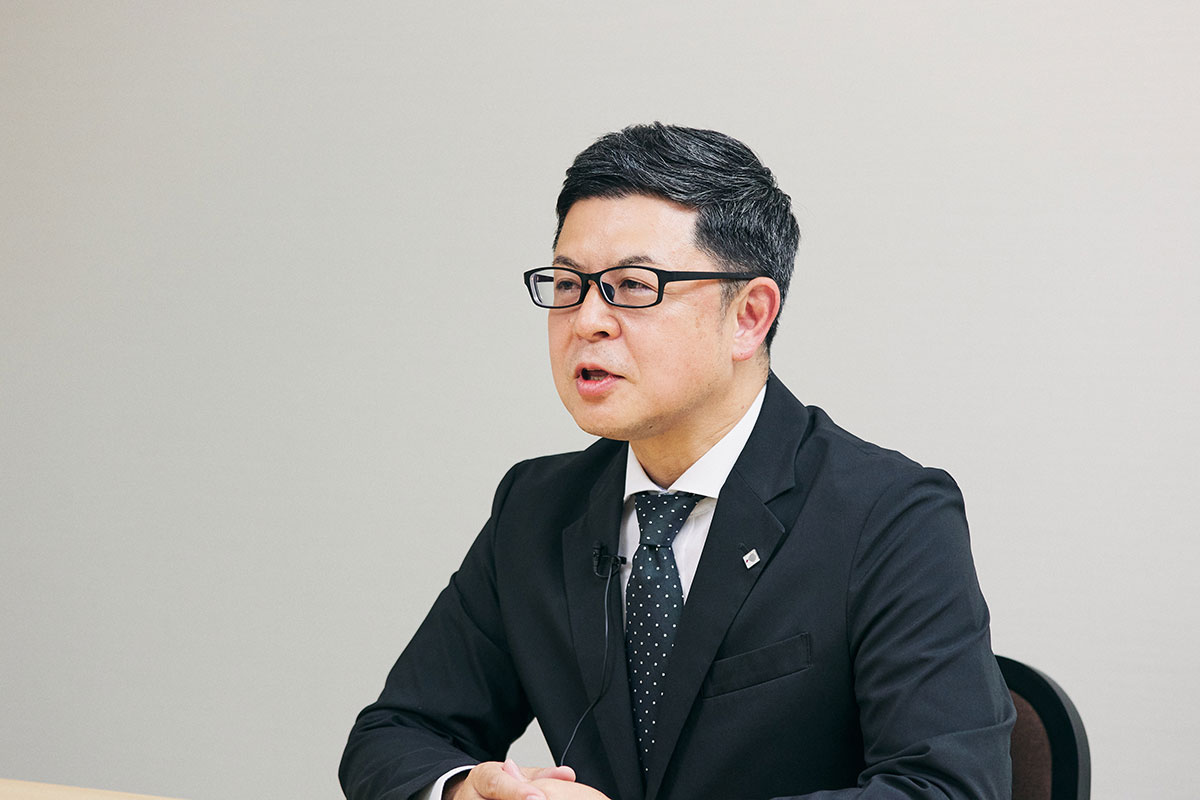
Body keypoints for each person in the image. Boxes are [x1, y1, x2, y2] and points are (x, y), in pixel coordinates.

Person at [339, 123, 1015, 800]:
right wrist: (469, 792)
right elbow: (395, 734)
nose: (587, 320)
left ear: (748, 316)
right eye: (569, 284)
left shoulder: (888, 515)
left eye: (633, 286)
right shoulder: (536, 507)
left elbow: (947, 787)